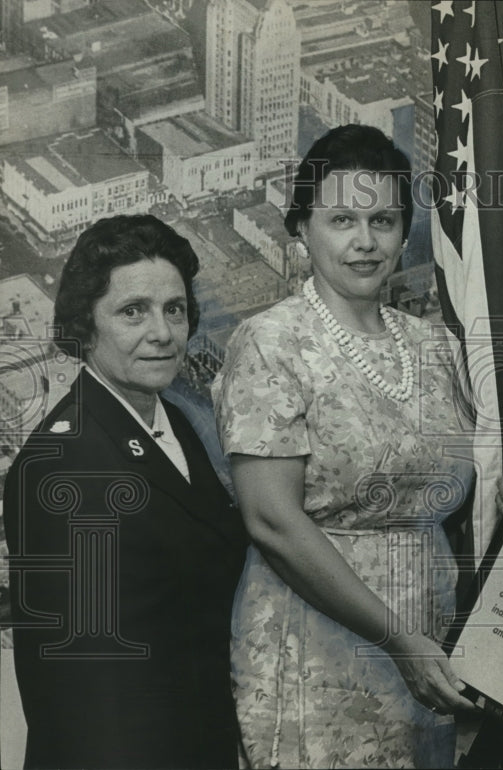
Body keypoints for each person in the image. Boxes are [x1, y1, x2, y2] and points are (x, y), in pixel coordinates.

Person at [212, 124, 477, 769]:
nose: (365, 242)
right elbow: (271, 520)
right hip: (316, 644)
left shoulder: (435, 345)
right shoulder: (270, 342)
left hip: (429, 639)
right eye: (341, 219)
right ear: (302, 227)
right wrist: (397, 639)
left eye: (383, 220)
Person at [3, 215, 247, 769]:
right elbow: (78, 697)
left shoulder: (170, 422)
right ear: (85, 326)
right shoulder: (63, 468)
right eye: (132, 311)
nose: (161, 332)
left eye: (174, 309)